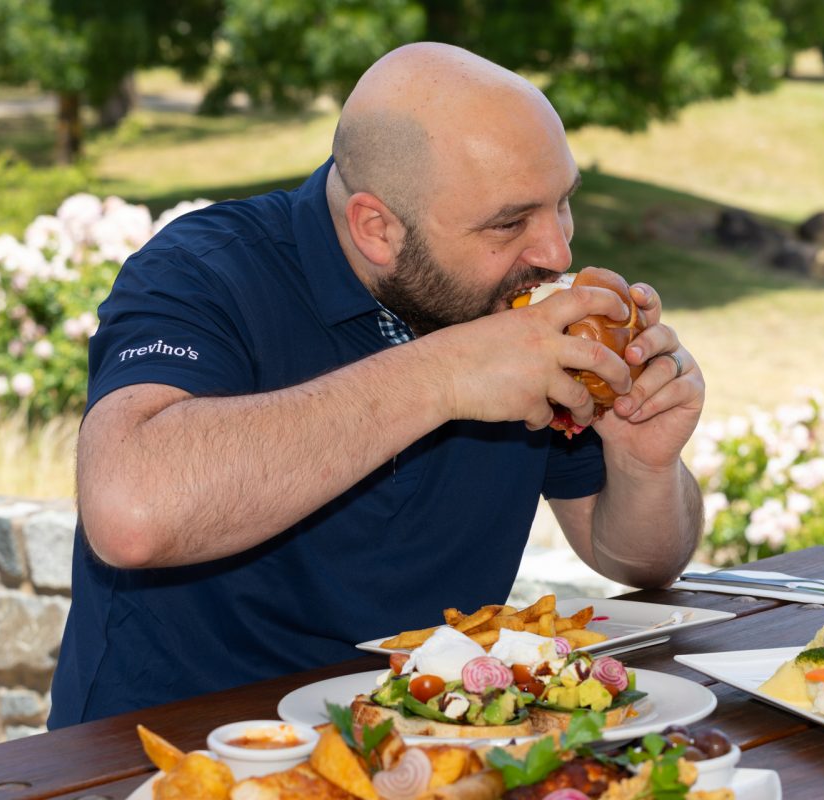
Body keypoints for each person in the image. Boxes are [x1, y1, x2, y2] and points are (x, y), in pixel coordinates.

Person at [47, 42, 706, 729]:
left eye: (562, 203)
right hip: (171, 756)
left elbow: (634, 557)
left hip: (432, 745)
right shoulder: (203, 272)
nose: (556, 253)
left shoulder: (517, 305)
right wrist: (446, 375)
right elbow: (130, 514)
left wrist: (643, 462)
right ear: (377, 228)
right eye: (510, 222)